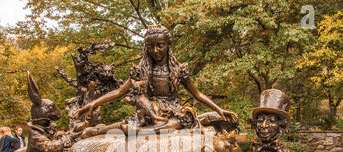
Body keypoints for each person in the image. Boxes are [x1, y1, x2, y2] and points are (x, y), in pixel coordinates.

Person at [74, 25, 237, 136]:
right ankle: (97, 132)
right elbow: (120, 92)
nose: (155, 50)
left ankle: (136, 129)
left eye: (160, 45)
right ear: (146, 47)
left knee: (176, 122)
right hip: (149, 110)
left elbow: (197, 94)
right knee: (140, 112)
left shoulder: (179, 70)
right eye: (150, 46)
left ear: (168, 45)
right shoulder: (142, 70)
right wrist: (94, 103)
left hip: (172, 112)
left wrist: (219, 110)